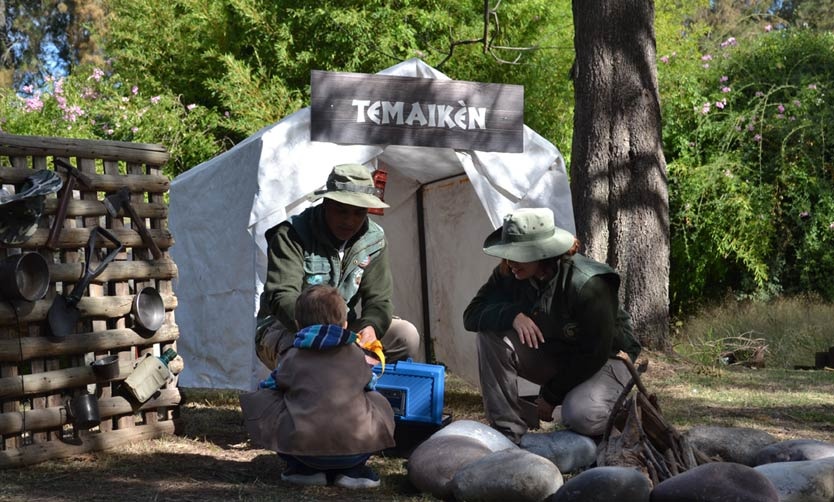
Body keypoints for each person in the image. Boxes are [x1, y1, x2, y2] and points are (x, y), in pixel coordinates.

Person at [463, 207, 641, 443]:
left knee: (581, 415)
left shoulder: (589, 283)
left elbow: (594, 351)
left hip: (606, 359)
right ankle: (507, 433)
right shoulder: (509, 273)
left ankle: (622, 412)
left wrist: (551, 394)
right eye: (507, 253)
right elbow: (472, 315)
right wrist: (512, 315)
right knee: (489, 336)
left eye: (518, 254)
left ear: (542, 253)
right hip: (557, 355)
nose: (509, 261)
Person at [255, 163, 421, 371]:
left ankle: (362, 390)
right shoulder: (291, 234)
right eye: (341, 210)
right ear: (326, 202)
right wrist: (322, 336)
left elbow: (379, 300)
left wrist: (371, 327)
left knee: (406, 336)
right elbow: (282, 296)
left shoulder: (374, 240)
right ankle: (302, 396)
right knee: (301, 354)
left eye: (359, 213)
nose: (349, 221)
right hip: (289, 326)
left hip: (344, 328)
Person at [240, 284, 395, 489]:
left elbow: (270, 386)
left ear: (296, 323)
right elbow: (369, 384)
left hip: (304, 451)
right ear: (346, 324)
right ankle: (354, 471)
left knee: (269, 396)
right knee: (376, 399)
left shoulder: (292, 356)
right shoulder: (357, 355)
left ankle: (304, 470)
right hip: (355, 448)